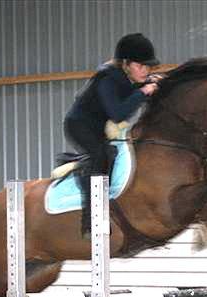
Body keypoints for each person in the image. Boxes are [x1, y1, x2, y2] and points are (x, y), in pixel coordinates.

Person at [64, 33, 160, 238]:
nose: (146, 70)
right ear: (126, 64)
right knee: (101, 155)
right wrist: (143, 92)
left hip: (97, 128)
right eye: (140, 66)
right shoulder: (107, 79)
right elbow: (117, 113)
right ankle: (91, 220)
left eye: (148, 66)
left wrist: (149, 87)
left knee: (113, 154)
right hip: (79, 125)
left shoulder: (126, 78)